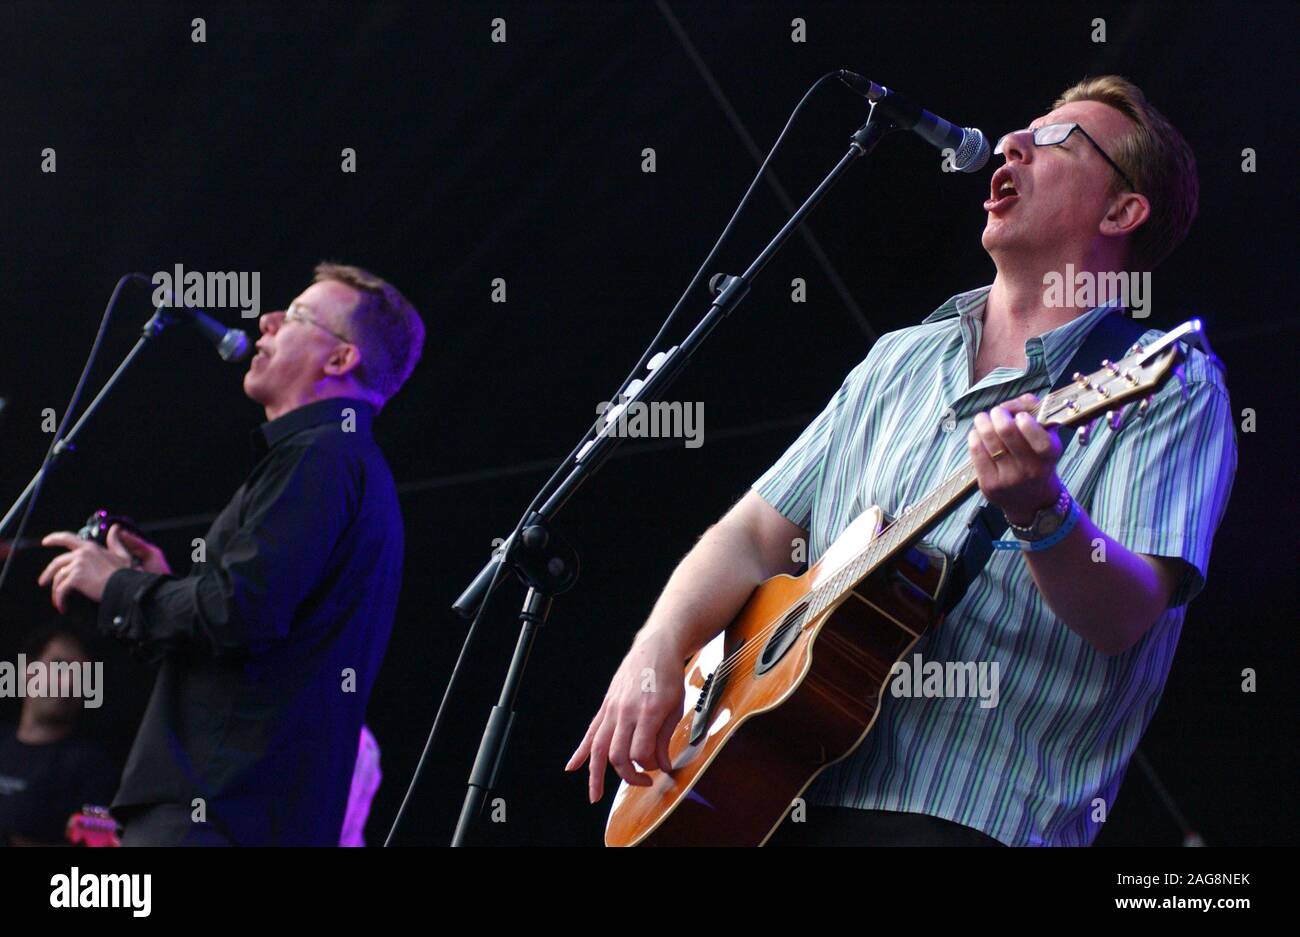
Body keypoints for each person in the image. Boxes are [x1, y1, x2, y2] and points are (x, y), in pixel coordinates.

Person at [567, 76, 1236, 846]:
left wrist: (1042, 513)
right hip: (780, 792)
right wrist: (656, 649)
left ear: (1123, 211)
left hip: (963, 815)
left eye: (1057, 140)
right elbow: (752, 536)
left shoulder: (1168, 380)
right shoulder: (899, 360)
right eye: (1022, 128)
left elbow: (1124, 617)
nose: (1014, 142)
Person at [36, 262, 425, 845]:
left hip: (216, 814)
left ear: (341, 359)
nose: (265, 320)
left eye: (294, 315)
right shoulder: (344, 461)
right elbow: (251, 615)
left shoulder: (319, 457)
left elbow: (239, 611)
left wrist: (116, 585)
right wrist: (163, 585)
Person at [0, 621, 117, 846]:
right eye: (59, 667)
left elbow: (100, 841)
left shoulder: (91, 767)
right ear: (28, 671)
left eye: (81, 675)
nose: (69, 682)